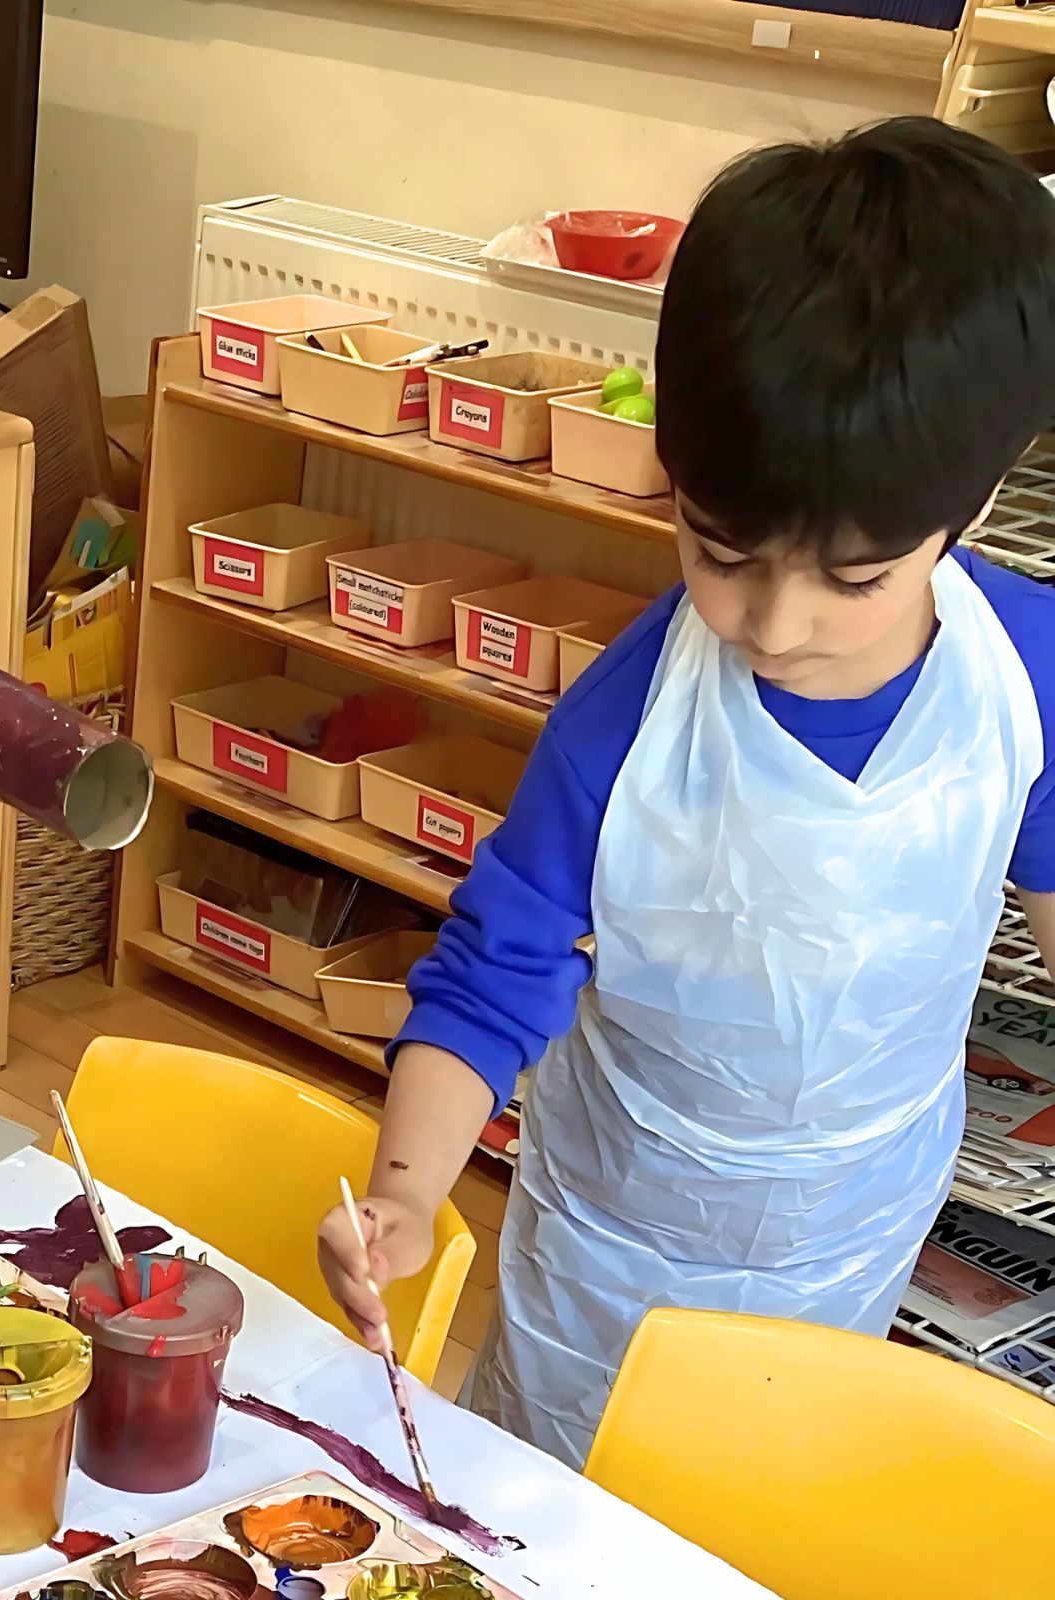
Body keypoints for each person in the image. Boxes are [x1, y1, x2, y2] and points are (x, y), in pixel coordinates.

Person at [317, 117, 1055, 1468]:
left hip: (859, 1215)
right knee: (576, 1509)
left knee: (780, 1499)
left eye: (851, 578)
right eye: (719, 551)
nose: (772, 622)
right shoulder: (627, 715)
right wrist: (407, 1194)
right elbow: (492, 976)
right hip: (620, 1245)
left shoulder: (1029, 674)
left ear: (979, 502)